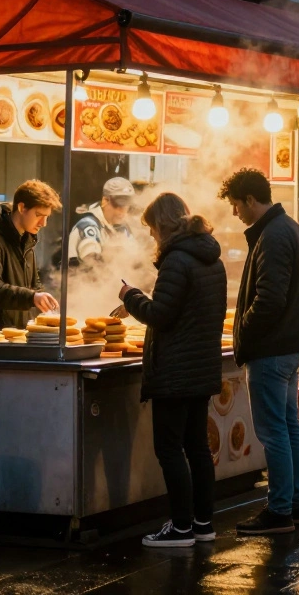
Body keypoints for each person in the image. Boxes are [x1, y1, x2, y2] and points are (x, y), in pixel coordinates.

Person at [120, 193, 227, 547]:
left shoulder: (177, 260)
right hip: (200, 367)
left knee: (169, 449)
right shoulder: (210, 257)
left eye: (152, 229)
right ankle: (202, 523)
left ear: (162, 225)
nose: (152, 237)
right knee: (197, 446)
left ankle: (180, 528)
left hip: (176, 371)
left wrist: (130, 295)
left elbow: (159, 315)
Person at [222, 169, 299, 534]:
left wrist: (243, 331)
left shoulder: (273, 235)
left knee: (274, 431)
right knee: (289, 428)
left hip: (271, 350)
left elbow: (270, 299)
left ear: (249, 200)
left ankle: (279, 511)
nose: (235, 213)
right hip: (287, 350)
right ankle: (296, 505)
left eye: (235, 205)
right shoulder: (289, 228)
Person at [0, 180, 61, 328]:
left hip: (17, 339)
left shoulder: (27, 243)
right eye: (38, 215)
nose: (43, 223)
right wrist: (32, 297)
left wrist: (44, 306)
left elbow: (34, 287)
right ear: (22, 207)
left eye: (47, 217)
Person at [63, 176, 135, 268]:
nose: (122, 212)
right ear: (105, 200)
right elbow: (92, 262)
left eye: (126, 207)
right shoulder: (87, 225)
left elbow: (136, 257)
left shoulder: (123, 229)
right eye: (118, 206)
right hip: (83, 281)